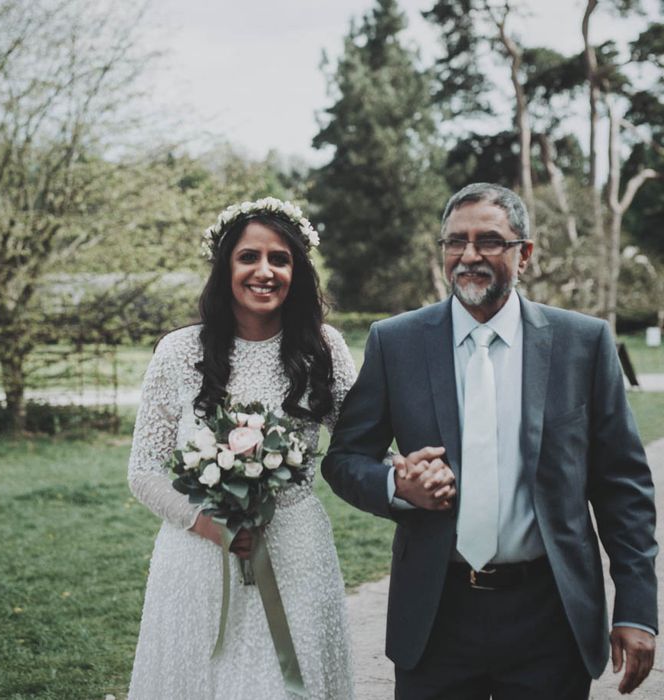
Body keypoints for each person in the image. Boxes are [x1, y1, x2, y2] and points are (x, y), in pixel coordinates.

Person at [322, 183, 657, 699]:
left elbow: (623, 487)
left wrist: (636, 607)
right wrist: (397, 486)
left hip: (549, 616)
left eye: (489, 241)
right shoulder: (396, 341)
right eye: (455, 241)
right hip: (436, 616)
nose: (469, 255)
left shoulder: (582, 343)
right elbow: (344, 458)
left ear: (525, 254)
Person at [126, 197, 356, 699]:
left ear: (298, 270)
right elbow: (144, 470)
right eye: (249, 256)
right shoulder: (179, 352)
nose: (265, 271)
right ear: (225, 266)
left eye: (280, 258)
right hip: (197, 557)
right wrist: (211, 526)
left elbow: (359, 446)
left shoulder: (324, 348)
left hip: (295, 549)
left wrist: (407, 472)